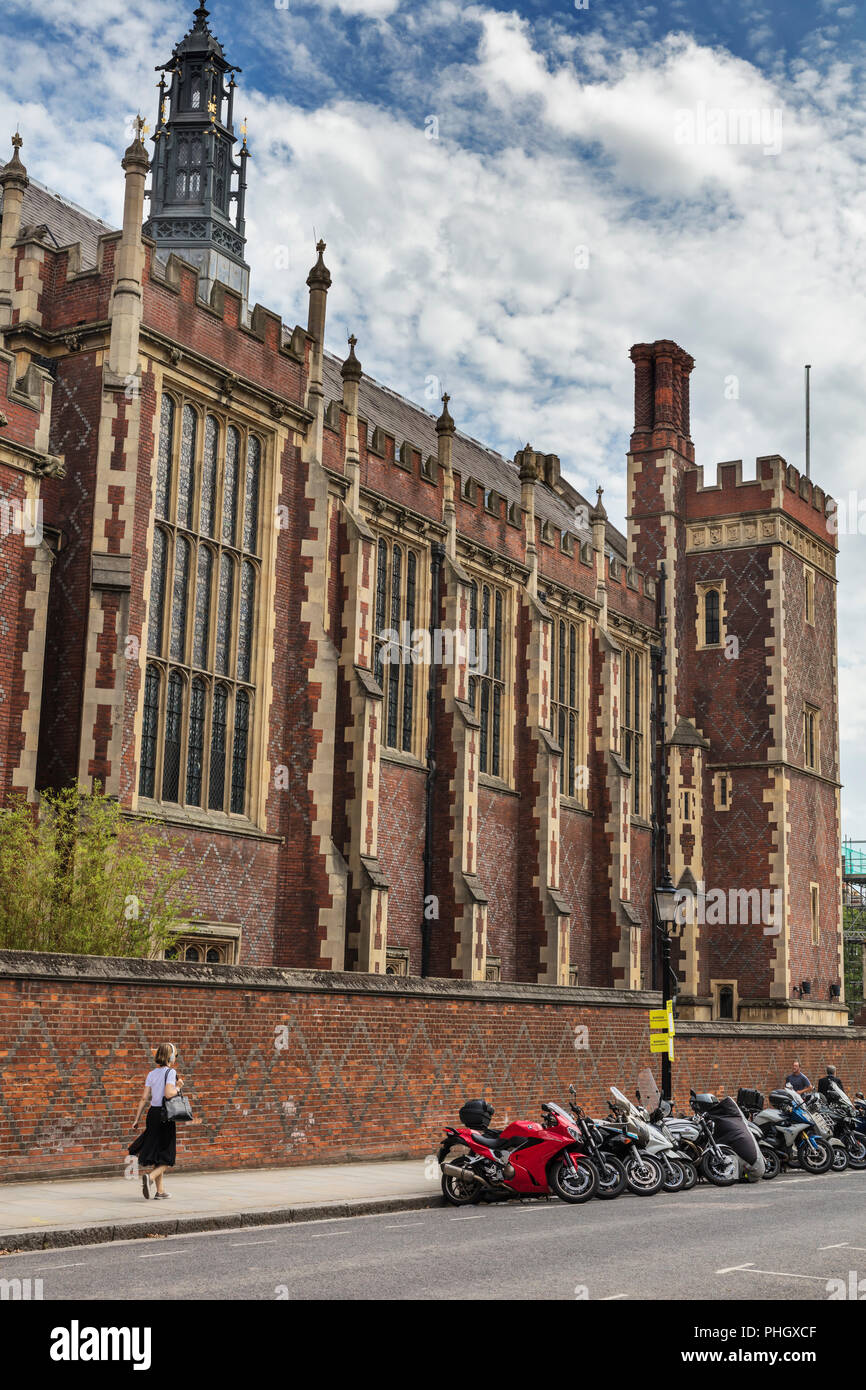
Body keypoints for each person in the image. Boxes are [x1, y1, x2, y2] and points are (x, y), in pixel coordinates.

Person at [129, 1042, 185, 1199]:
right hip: (165, 1115)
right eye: (175, 1055)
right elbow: (169, 1094)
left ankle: (160, 1192)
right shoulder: (171, 1072)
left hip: (152, 1114)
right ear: (171, 1056)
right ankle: (150, 1178)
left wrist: (136, 1119)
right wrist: (179, 1087)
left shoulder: (151, 1074)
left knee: (158, 1153)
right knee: (167, 1155)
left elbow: (143, 1098)